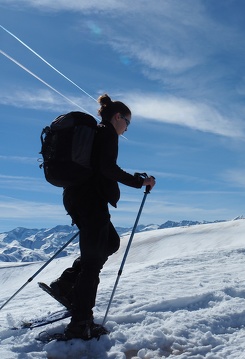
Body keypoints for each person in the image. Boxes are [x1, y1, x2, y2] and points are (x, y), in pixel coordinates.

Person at [46, 94, 156, 340]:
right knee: (92, 263)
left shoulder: (98, 133)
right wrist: (140, 182)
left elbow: (101, 167)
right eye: (127, 122)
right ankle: (81, 323)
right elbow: (108, 169)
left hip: (78, 198)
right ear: (118, 116)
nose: (127, 127)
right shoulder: (107, 132)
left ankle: (65, 286)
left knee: (110, 243)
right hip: (90, 201)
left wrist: (132, 178)